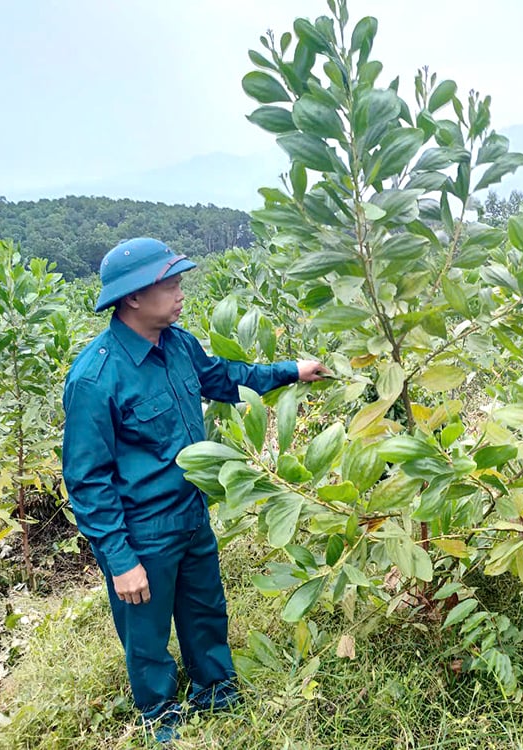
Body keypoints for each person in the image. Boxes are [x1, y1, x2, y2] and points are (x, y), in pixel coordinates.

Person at [62, 237, 329, 743]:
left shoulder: (177, 344)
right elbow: (87, 480)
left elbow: (224, 378)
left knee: (205, 610)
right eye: (171, 283)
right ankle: (161, 717)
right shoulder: (96, 377)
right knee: (146, 634)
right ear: (135, 297)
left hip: (191, 513)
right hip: (142, 531)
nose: (182, 292)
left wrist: (292, 371)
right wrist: (120, 560)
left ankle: (217, 693)